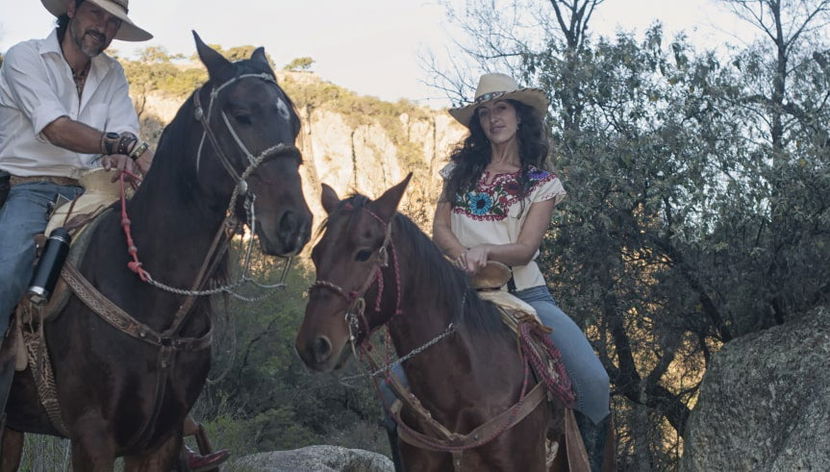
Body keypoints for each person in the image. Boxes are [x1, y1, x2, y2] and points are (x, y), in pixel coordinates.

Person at [0, 0, 227, 468]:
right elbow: (56, 128)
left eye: (112, 21)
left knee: (162, 271)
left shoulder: (112, 74)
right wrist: (120, 144)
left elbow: (124, 131)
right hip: (31, 187)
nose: (102, 27)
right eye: (96, 14)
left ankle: (167, 422)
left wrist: (125, 154)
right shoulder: (25, 57)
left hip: (98, 189)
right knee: (5, 276)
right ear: (71, 10)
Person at [431, 72, 612, 470]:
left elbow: (526, 248)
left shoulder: (541, 183)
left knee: (594, 384)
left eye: (501, 108)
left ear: (519, 116)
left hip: (524, 294)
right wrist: (462, 256)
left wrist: (484, 252)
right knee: (396, 385)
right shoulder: (457, 173)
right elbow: (440, 228)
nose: (493, 118)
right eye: (484, 113)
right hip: (459, 297)